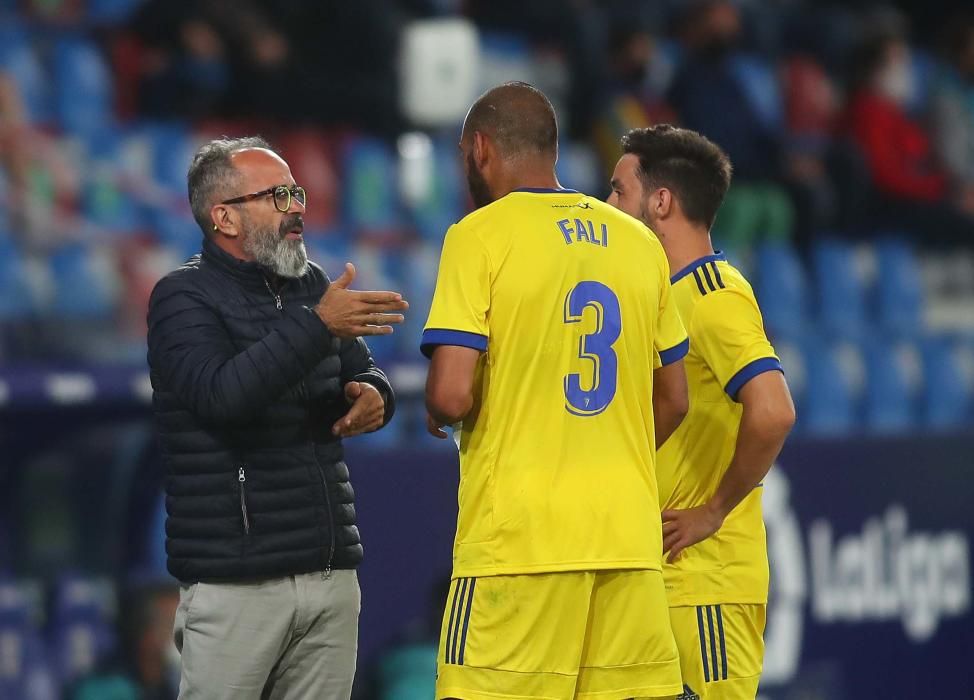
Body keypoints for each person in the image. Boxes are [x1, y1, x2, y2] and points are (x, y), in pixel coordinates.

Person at [421, 82, 690, 700]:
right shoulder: (638, 241)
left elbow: (453, 394)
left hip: (520, 544)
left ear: (481, 148)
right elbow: (674, 399)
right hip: (627, 542)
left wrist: (441, 406)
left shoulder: (479, 234)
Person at [146, 136, 409, 700]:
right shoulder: (181, 297)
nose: (297, 208)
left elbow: (359, 371)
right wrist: (318, 327)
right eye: (278, 195)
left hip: (328, 571)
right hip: (237, 583)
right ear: (224, 217)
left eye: (298, 192)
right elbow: (222, 396)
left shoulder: (312, 285)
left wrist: (376, 396)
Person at [607, 124, 796, 699]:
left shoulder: (715, 294)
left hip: (707, 583)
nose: (606, 205)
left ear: (660, 202)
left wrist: (713, 511)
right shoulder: (661, 296)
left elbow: (774, 410)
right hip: (662, 577)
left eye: (618, 191)